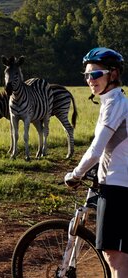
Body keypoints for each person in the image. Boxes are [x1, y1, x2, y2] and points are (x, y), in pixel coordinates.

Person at [64, 47, 128, 277]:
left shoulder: (114, 105)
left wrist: (76, 174)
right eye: (87, 75)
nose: (90, 80)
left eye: (96, 74)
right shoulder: (114, 102)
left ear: (112, 74)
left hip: (117, 186)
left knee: (115, 257)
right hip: (116, 181)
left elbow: (96, 150)